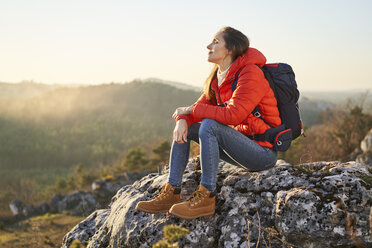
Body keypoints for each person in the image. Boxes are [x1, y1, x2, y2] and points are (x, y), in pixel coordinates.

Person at [135, 26, 281, 220]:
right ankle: (171, 192)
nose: (208, 46)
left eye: (215, 42)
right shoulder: (218, 79)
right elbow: (197, 108)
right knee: (193, 127)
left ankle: (206, 197)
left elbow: (233, 115)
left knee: (209, 125)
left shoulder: (250, 73)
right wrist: (182, 121)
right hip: (241, 148)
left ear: (230, 49)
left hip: (262, 153)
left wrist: (189, 111)